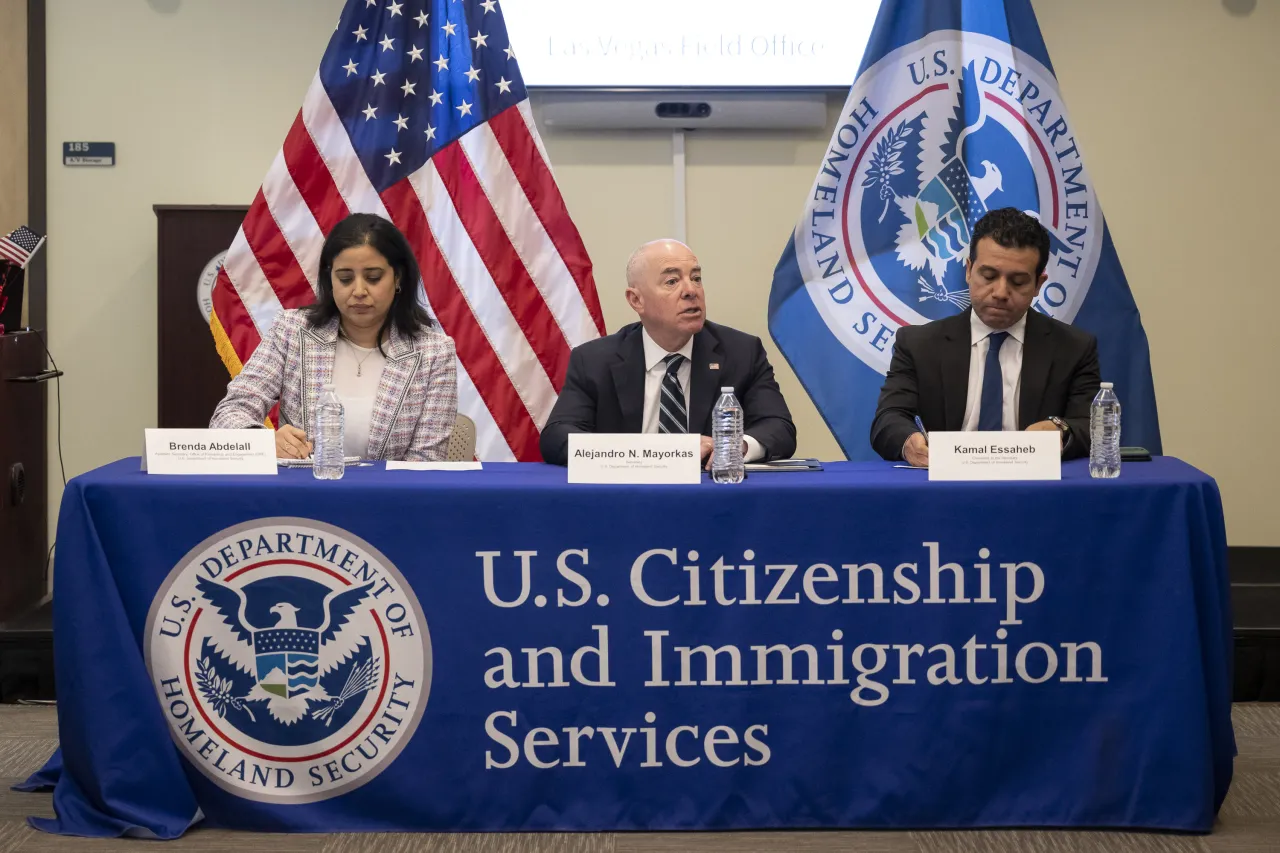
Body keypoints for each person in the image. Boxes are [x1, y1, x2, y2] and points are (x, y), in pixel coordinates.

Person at [210, 213, 458, 461]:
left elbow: (426, 462)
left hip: (390, 498)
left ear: (398, 278)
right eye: (345, 278)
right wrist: (264, 442)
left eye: (373, 278)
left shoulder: (433, 353)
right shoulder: (292, 331)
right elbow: (229, 413)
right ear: (330, 280)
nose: (359, 291)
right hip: (303, 494)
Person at [870, 207, 1101, 467]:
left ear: (1038, 284)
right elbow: (888, 418)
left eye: (1018, 281)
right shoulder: (918, 345)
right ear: (969, 270)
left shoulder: (1074, 348)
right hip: (944, 488)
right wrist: (908, 442)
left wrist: (1061, 429)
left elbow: (1092, 427)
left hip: (1035, 489)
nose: (1001, 292)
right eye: (989, 276)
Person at [541, 238, 796, 467]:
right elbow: (557, 436)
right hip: (627, 497)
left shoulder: (741, 352)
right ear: (636, 300)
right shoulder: (595, 360)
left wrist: (732, 446)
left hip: (710, 498)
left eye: (696, 278)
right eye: (672, 281)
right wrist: (642, 453)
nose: (691, 290)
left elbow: (779, 428)